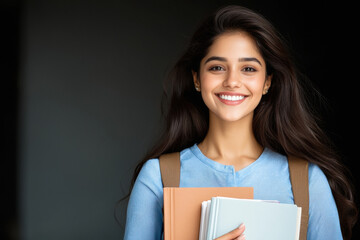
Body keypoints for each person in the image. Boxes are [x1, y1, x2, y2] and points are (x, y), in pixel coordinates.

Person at [123, 5, 357, 240]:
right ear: (196, 78)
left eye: (248, 68)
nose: (232, 81)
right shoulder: (157, 178)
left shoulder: (308, 182)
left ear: (267, 82)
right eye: (217, 67)